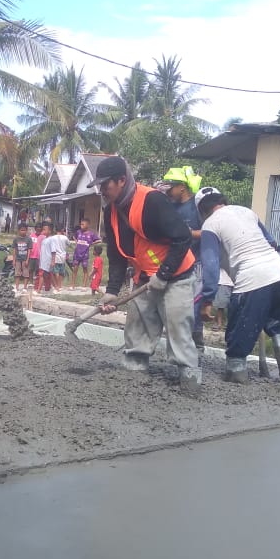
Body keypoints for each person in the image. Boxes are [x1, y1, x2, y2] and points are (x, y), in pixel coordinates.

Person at [91, 156, 201, 394]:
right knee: (137, 327)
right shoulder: (111, 211)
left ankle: (190, 382)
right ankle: (134, 373)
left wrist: (164, 274)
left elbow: (183, 237)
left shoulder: (152, 200)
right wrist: (111, 293)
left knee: (177, 328)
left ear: (121, 180)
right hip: (144, 276)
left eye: (105, 185)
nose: (102, 190)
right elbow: (117, 254)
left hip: (176, 275)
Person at [196, 187, 280, 386]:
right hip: (278, 271)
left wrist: (207, 299)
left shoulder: (210, 224)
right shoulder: (246, 212)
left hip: (251, 277)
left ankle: (236, 372)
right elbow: (272, 242)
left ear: (202, 210)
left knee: (240, 326)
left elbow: (211, 266)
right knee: (279, 326)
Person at [159, 165, 206, 350]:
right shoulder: (171, 207)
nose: (168, 192)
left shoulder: (197, 207)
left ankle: (197, 348)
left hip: (196, 263)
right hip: (176, 264)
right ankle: (181, 349)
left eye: (170, 188)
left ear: (182, 187)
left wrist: (188, 233)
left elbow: (210, 232)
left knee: (192, 309)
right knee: (176, 308)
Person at [70, 219, 101, 289]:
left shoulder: (91, 234)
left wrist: (92, 243)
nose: (81, 226)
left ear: (87, 225)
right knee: (75, 269)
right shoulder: (78, 232)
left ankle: (84, 286)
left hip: (85, 255)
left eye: (83, 224)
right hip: (77, 254)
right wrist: (76, 241)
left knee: (85, 269)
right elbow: (74, 236)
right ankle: (72, 285)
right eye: (80, 224)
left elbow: (99, 240)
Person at [12, 223, 33, 293]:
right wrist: (14, 260)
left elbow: (29, 250)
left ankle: (24, 288)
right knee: (17, 273)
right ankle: (16, 287)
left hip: (25, 259)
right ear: (18, 231)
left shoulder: (28, 239)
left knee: (26, 274)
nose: (23, 232)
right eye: (21, 230)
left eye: (24, 230)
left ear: (26, 231)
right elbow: (14, 250)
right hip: (18, 259)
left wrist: (27, 259)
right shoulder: (16, 239)